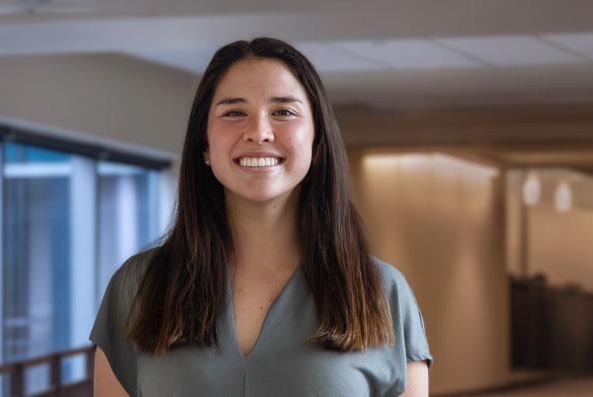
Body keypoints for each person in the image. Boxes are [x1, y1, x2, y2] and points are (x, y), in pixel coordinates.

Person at [90, 37, 433, 396]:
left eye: (283, 112)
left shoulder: (381, 293)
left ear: (317, 142)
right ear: (204, 145)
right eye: (234, 112)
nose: (259, 132)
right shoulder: (137, 288)